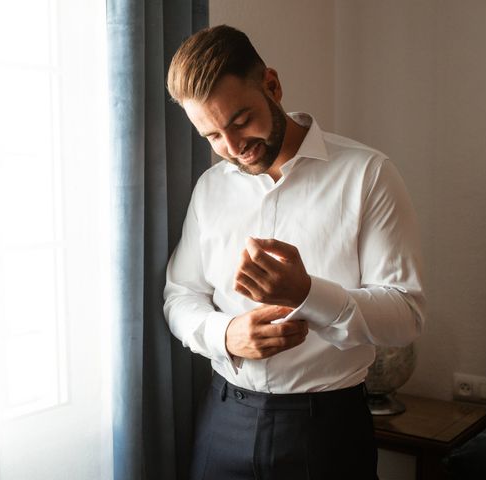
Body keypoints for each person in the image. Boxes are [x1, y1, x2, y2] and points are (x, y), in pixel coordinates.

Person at [163, 24, 425, 480]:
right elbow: (180, 296)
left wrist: (308, 292)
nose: (233, 148)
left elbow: (405, 316)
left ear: (272, 85)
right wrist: (225, 335)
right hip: (223, 420)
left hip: (327, 432)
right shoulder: (210, 188)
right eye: (212, 136)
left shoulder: (368, 176)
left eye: (241, 121)